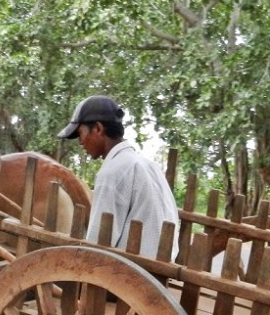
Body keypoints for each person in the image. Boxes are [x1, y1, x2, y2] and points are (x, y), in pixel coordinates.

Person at [58, 95, 180, 260]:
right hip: (161, 266)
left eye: (80, 133)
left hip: (130, 269)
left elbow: (98, 243)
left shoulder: (113, 171)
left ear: (98, 128)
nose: (80, 142)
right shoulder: (149, 166)